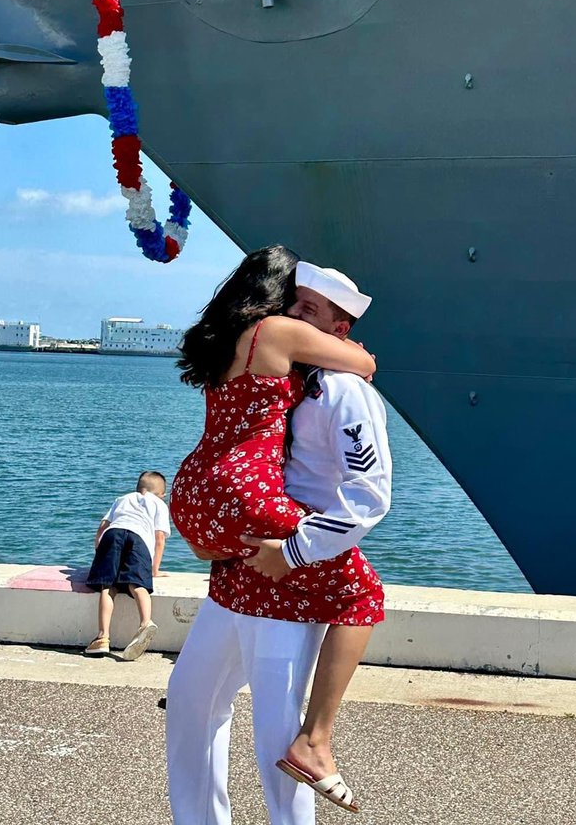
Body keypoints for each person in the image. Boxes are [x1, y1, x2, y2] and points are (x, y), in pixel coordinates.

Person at [167, 250, 392, 823]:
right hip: (261, 532)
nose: (295, 312)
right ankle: (316, 741)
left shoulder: (335, 390)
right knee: (359, 598)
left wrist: (281, 545)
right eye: (293, 300)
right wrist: (287, 547)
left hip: (229, 515)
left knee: (199, 707)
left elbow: (368, 491)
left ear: (336, 327)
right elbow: (366, 362)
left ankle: (309, 745)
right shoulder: (291, 356)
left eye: (309, 307)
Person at [83, 469, 171, 661]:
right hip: (138, 539)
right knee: (137, 584)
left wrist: (101, 555)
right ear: (162, 494)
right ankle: (145, 623)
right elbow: (159, 538)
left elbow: (102, 527)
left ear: (138, 488)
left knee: (108, 586)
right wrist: (154, 570)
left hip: (113, 535)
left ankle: (102, 638)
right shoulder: (159, 505)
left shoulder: (123, 498)